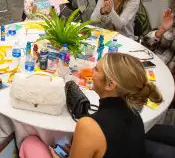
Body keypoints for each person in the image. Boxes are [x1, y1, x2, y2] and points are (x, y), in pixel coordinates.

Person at [22, 52, 162, 158]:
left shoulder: (89, 125)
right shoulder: (135, 113)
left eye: (96, 69)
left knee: (30, 142)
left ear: (110, 84)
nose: (91, 72)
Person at [143, 8, 175, 106]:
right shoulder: (172, 18)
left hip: (169, 76)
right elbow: (146, 41)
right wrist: (161, 30)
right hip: (152, 64)